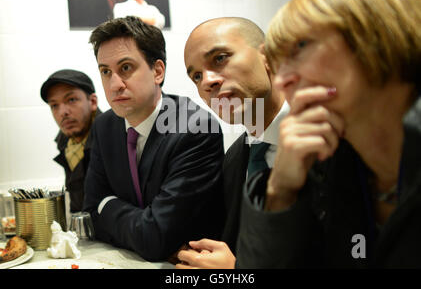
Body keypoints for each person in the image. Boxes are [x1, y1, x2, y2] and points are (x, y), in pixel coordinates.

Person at [236, 0, 421, 268]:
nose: (283, 81)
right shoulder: (328, 161)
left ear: (378, 36)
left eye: (300, 47)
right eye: (278, 65)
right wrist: (280, 192)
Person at [83, 16, 224, 262]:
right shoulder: (104, 126)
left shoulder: (195, 128)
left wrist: (108, 205)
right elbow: (90, 214)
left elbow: (156, 238)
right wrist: (141, 227)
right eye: (106, 72)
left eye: (125, 68)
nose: (115, 84)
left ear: (157, 71)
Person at [176, 17, 289, 269]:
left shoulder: (335, 142)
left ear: (269, 56)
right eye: (196, 76)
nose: (207, 82)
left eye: (219, 58)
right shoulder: (236, 157)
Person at [40, 69, 102, 213]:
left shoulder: (114, 137)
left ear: (92, 101)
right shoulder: (66, 142)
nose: (63, 112)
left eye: (71, 100)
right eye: (54, 105)